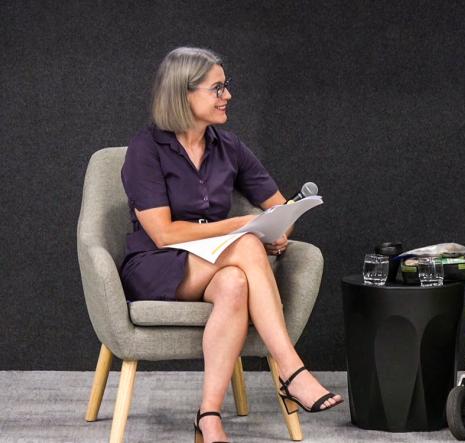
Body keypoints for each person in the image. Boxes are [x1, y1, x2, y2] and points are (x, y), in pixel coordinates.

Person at [120, 47, 342, 443]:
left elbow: (278, 205)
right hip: (156, 264)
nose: (228, 96)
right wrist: (243, 225)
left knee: (237, 283)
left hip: (216, 263)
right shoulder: (146, 149)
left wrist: (278, 231)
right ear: (183, 94)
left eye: (227, 86)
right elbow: (164, 234)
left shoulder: (228, 146)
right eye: (217, 88)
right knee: (245, 247)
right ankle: (291, 370)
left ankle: (208, 417)